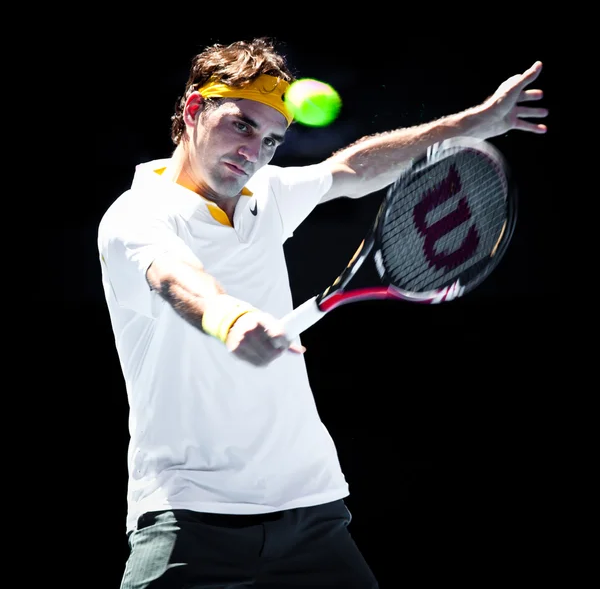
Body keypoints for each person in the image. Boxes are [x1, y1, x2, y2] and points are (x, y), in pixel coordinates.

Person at [97, 37, 548, 588]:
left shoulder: (268, 194)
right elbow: (172, 277)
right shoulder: (137, 214)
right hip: (188, 516)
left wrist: (475, 123)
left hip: (312, 511)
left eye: (271, 140)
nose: (255, 151)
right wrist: (229, 320)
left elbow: (353, 167)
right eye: (242, 126)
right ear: (194, 109)